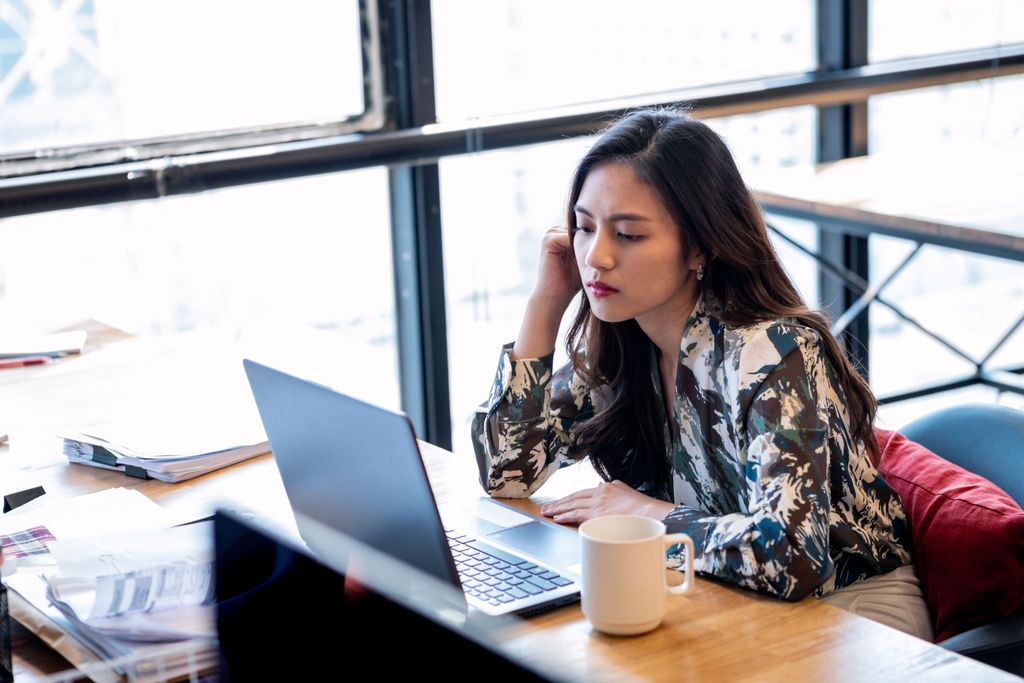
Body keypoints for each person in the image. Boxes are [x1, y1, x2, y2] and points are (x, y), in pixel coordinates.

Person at [470, 108, 933, 640]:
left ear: (700, 246)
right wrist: (546, 304)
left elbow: (791, 557)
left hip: (852, 612)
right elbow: (507, 473)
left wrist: (648, 515)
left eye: (627, 235)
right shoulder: (621, 342)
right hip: (712, 590)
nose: (595, 256)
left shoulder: (772, 353)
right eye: (584, 226)